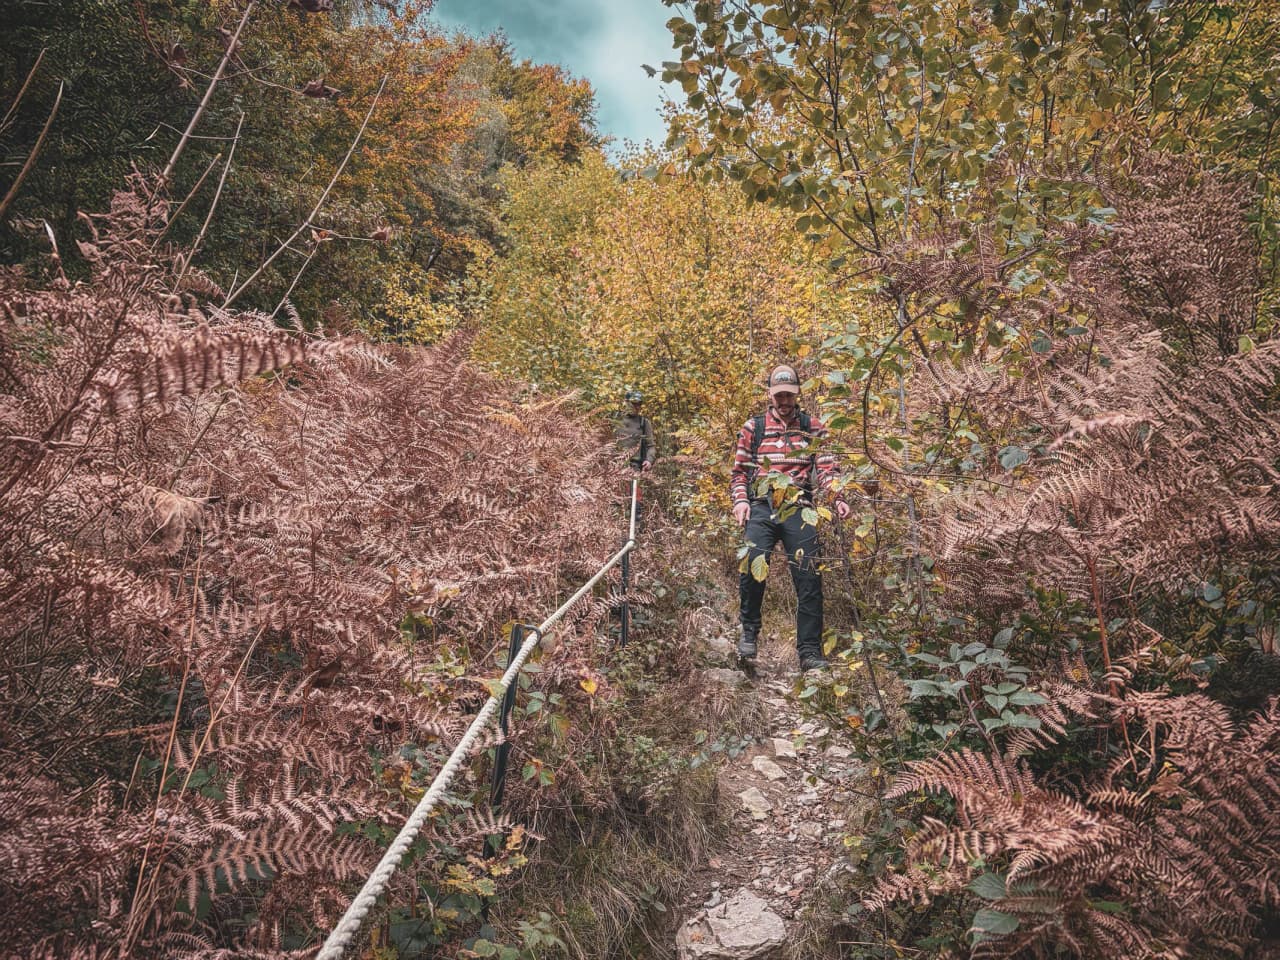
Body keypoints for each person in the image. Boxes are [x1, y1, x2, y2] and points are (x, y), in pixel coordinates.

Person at [730, 364, 850, 672]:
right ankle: (750, 631)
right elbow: (740, 473)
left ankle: (809, 651)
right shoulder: (753, 428)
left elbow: (826, 468)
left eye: (790, 395)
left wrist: (837, 498)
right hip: (761, 504)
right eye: (779, 395)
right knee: (753, 565)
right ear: (770, 394)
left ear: (797, 395)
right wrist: (741, 502)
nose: (785, 401)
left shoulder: (812, 426)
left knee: (809, 576)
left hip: (799, 506)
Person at [616, 389, 656, 472]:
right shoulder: (614, 420)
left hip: (635, 467)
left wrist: (649, 460)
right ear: (626, 402)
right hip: (613, 466)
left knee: (634, 484)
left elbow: (651, 446)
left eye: (639, 404)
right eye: (634, 403)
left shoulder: (644, 422)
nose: (637, 407)